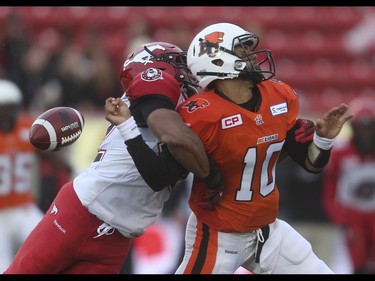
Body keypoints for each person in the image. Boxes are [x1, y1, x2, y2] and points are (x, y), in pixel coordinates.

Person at [4, 41, 222, 274]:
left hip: (118, 236)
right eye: (177, 63)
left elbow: (161, 175)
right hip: (80, 214)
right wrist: (213, 177)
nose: (186, 72)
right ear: (150, 67)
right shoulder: (153, 92)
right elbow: (161, 161)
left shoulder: (176, 113)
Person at [172, 22, 353, 274]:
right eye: (243, 50)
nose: (253, 57)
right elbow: (170, 166)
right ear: (216, 61)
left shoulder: (279, 96)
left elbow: (312, 164)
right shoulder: (202, 113)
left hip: (268, 231)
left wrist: (323, 140)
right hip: (219, 232)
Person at [0, 79, 72, 273]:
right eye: (2, 109)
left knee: (52, 247)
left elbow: (54, 159)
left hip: (24, 206)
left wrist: (64, 159)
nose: (6, 115)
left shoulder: (27, 126)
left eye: (10, 108)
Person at [322, 96, 375, 274]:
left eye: (370, 128)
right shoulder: (341, 153)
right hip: (354, 216)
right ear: (354, 128)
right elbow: (330, 190)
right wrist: (340, 219)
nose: (366, 133)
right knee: (358, 264)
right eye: (362, 128)